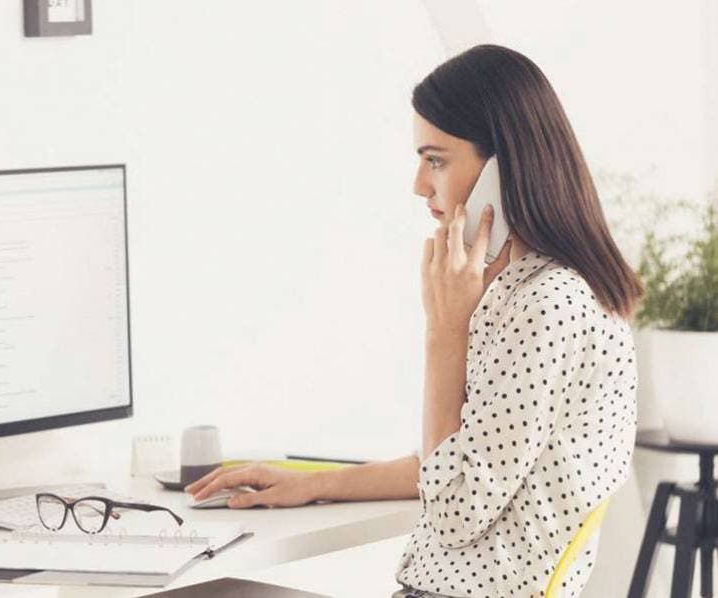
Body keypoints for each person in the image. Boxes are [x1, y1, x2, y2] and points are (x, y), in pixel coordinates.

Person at [185, 44, 642, 598]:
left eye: (436, 160)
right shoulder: (523, 291)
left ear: (503, 168)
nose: (420, 185)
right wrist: (310, 484)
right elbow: (450, 465)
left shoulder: (545, 306)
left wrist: (444, 331)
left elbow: (455, 511)